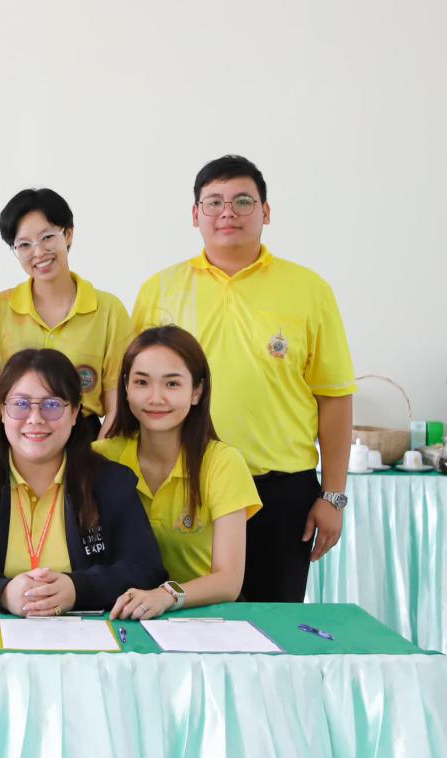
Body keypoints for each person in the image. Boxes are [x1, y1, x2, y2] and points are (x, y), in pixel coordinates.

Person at [131, 155, 355, 602]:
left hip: (280, 490)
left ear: (266, 212)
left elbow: (334, 397)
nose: (227, 213)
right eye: (213, 202)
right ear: (195, 214)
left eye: (242, 201)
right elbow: (134, 388)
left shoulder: (309, 290)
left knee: (273, 625)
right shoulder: (161, 289)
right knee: (183, 620)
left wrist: (333, 496)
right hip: (186, 485)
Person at [0, 349, 166, 615]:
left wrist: (78, 589)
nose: (35, 418)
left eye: (52, 405)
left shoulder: (111, 482)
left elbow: (146, 568)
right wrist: (0, 592)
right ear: (2, 411)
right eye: (20, 404)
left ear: (75, 412)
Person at [97, 327, 262, 620]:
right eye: (141, 382)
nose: (155, 398)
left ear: (197, 391)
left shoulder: (222, 463)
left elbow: (229, 581)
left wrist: (166, 596)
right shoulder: (100, 457)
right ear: (125, 387)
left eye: (172, 384)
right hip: (119, 614)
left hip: (202, 619)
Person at [0, 188, 132, 440]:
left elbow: (118, 406)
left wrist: (99, 457)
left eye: (47, 237)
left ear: (68, 234)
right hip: (18, 437)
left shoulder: (109, 310)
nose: (38, 252)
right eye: (24, 245)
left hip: (84, 438)